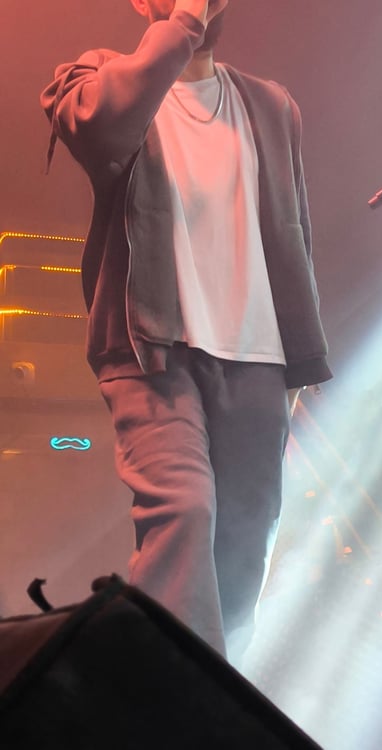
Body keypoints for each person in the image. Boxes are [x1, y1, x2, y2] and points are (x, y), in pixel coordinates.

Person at [40, 0, 331, 661]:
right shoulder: (92, 80)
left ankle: (214, 684)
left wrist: (298, 362)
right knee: (185, 512)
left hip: (257, 357)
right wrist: (179, 25)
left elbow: (295, 237)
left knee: (246, 541)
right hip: (151, 350)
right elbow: (101, 130)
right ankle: (167, 695)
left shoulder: (270, 105)